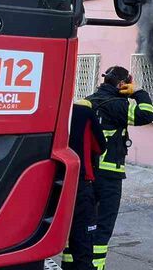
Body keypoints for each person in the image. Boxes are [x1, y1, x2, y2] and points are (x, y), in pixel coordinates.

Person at [86, 66, 153, 270]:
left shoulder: (88, 101)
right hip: (109, 175)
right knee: (103, 226)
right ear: (123, 84)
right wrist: (139, 92)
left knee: (82, 222)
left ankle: (73, 264)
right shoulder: (117, 105)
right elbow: (146, 114)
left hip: (85, 174)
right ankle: (95, 267)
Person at [62, 98, 106, 270]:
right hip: (80, 183)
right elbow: (100, 146)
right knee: (83, 242)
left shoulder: (49, 112)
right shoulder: (84, 113)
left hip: (49, 182)